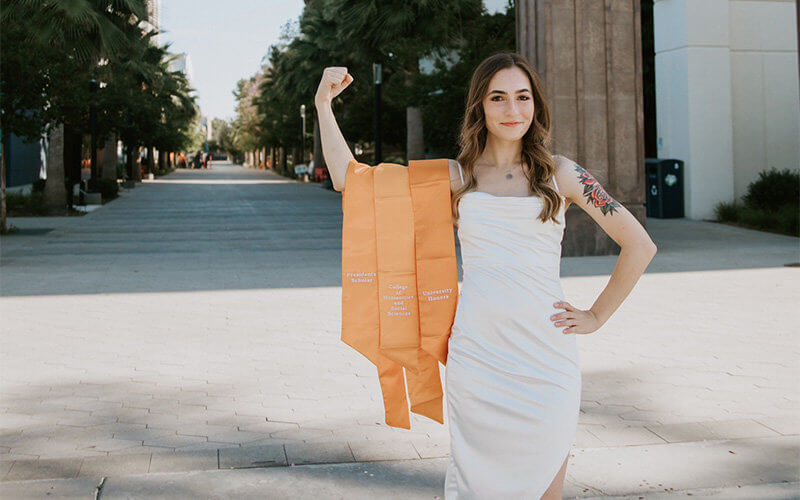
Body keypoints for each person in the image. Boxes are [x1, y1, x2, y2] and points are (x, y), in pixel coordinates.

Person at [315, 53, 657, 499]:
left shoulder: (562, 174)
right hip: (478, 359)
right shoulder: (456, 177)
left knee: (544, 489)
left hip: (546, 360)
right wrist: (324, 103)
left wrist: (596, 316)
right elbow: (350, 179)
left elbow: (640, 244)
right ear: (480, 106)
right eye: (498, 98)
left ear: (536, 105)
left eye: (522, 97)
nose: (512, 110)